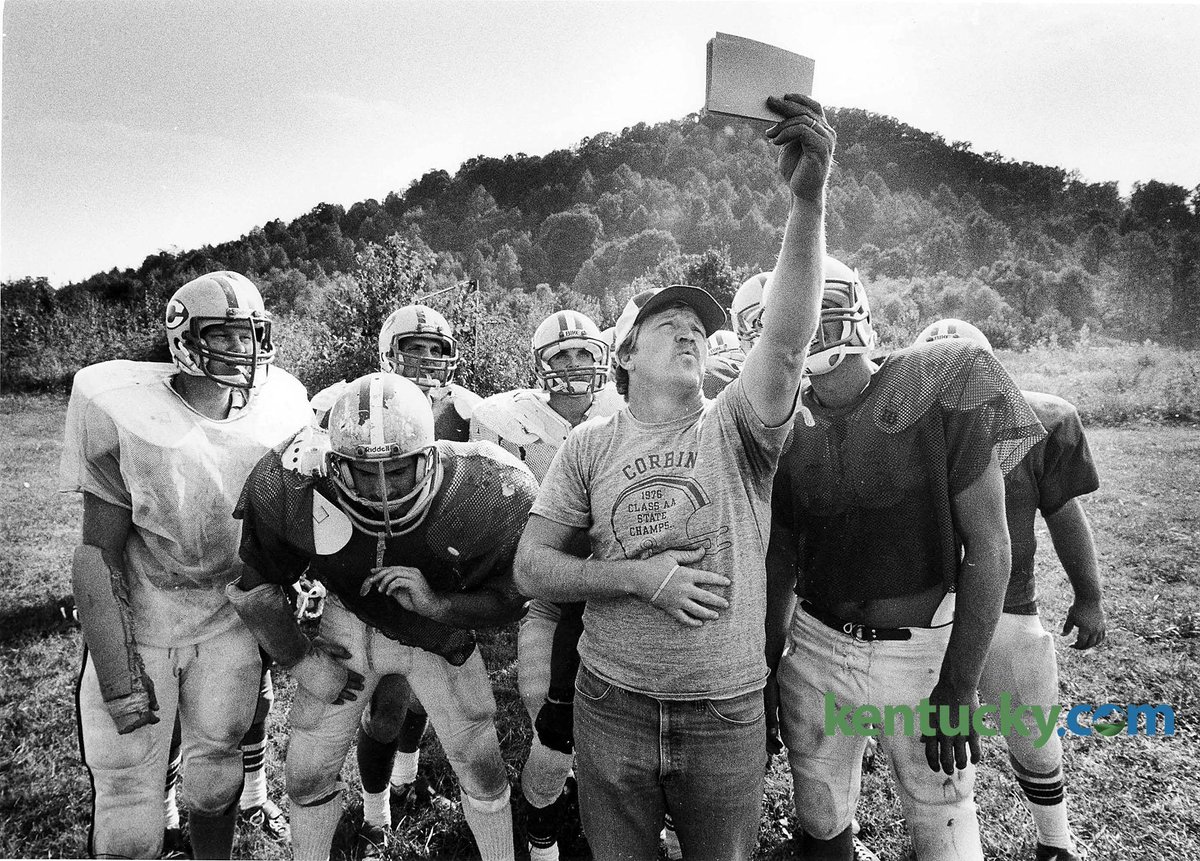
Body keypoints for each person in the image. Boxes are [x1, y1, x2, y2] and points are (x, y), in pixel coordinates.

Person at [514, 92, 835, 861]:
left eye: (700, 324)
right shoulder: (590, 445)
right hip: (610, 700)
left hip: (723, 707)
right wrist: (639, 577)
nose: (691, 329)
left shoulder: (736, 426)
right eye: (669, 323)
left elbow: (788, 345)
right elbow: (532, 567)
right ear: (624, 355)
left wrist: (810, 202)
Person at [764, 265, 1046, 861]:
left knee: (943, 813)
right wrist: (768, 658)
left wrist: (961, 683)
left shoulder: (940, 376)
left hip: (922, 647)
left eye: (821, 311)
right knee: (819, 812)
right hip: (815, 644)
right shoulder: (784, 421)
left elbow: (991, 547)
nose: (809, 329)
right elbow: (783, 552)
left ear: (855, 312)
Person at [228, 371, 537, 861]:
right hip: (347, 622)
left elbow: (513, 597)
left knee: (479, 761)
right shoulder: (293, 477)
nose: (381, 489)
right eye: (362, 471)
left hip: (437, 632)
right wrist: (303, 660)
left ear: (431, 456)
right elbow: (255, 584)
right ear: (333, 463)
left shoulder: (489, 486)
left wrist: (439, 605)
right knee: (307, 770)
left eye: (396, 471)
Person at [60, 271, 311, 859]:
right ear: (183, 338)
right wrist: (120, 678)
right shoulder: (125, 409)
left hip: (227, 621)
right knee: (125, 789)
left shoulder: (279, 408)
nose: (243, 351)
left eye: (252, 335)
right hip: (147, 619)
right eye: (224, 336)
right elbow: (97, 550)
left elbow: (288, 526)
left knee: (217, 772)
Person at [915, 319, 1106, 861]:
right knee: (931, 744)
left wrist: (1088, 595)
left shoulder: (1039, 423)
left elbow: (1065, 513)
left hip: (1007, 606)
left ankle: (1055, 840)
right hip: (920, 610)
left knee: (1033, 727)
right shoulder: (898, 428)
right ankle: (946, 840)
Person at [470, 309, 616, 861]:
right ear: (541, 365)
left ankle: (606, 792)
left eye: (584, 353)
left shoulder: (623, 415)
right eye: (562, 355)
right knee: (542, 698)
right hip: (549, 591)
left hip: (612, 583)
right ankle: (551, 802)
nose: (575, 365)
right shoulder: (508, 419)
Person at [351, 304, 485, 851]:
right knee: (385, 706)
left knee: (422, 696)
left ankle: (406, 780)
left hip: (441, 573)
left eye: (436, 350)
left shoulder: (471, 413)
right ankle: (375, 812)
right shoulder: (356, 402)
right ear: (390, 354)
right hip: (374, 570)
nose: (427, 360)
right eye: (414, 349)